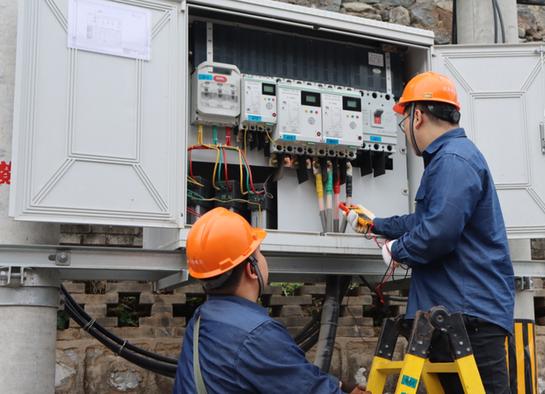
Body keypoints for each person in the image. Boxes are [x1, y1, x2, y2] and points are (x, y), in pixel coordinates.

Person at [346, 72, 515, 393]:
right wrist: (377, 223)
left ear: (418, 116)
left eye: (404, 120)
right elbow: (427, 221)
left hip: (468, 317)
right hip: (458, 315)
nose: (406, 130)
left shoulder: (452, 161)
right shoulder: (451, 160)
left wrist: (397, 250)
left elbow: (437, 234)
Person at [174, 207, 369, 394]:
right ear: (252, 269)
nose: (263, 258)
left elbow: (289, 376)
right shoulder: (258, 334)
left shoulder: (201, 319)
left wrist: (338, 384)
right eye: (259, 252)